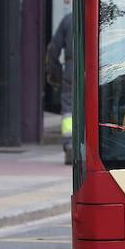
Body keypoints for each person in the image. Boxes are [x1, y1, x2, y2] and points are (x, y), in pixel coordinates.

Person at [46, 11, 73, 166]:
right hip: (95, 69)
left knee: (69, 110)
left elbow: (53, 49)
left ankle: (70, 144)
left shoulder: (68, 19)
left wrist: (52, 71)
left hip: (71, 69)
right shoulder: (99, 16)